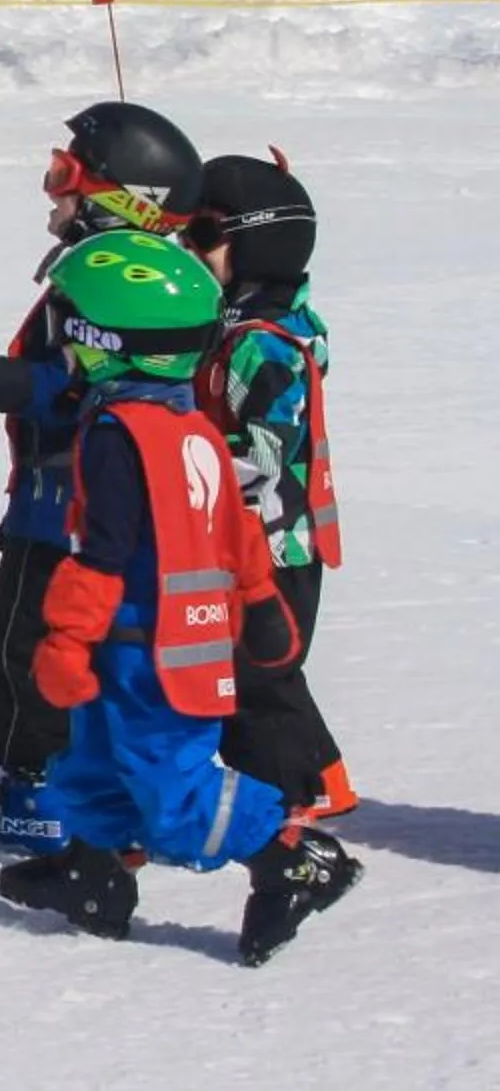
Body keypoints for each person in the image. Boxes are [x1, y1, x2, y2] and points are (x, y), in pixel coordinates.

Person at [0, 229, 362, 966]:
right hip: (146, 641)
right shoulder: (186, 419)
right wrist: (258, 604)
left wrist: (62, 644)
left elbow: (101, 557)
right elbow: (237, 527)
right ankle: (92, 873)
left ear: (101, 335)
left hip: (153, 652)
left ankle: (292, 856)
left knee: (172, 787)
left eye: (68, 323)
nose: (61, 338)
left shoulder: (116, 435)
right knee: (91, 762)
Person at [0, 102, 202, 850]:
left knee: (26, 645)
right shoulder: (138, 280)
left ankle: (42, 789)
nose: (52, 191)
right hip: (87, 498)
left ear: (122, 202)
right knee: (71, 644)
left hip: (64, 505)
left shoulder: (111, 284)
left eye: (67, 176)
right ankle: (92, 785)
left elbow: (84, 385)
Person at [187, 151, 350, 818]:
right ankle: (328, 778)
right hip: (252, 541)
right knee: (271, 669)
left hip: (276, 545)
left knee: (255, 681)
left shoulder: (265, 346)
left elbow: (266, 454)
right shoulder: (241, 331)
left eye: (201, 236)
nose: (187, 251)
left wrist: (179, 454)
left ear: (257, 244)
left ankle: (285, 803)